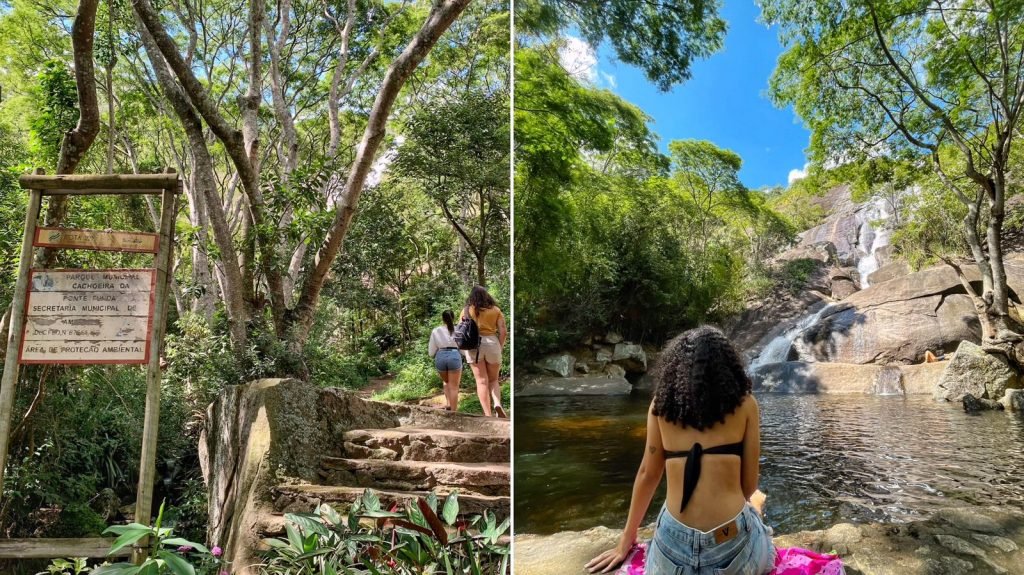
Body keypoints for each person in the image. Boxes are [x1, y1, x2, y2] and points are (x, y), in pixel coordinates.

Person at [586, 326, 775, 575]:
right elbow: (748, 487)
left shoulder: (660, 406)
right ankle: (758, 513)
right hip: (728, 543)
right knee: (756, 512)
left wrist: (625, 543)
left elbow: (647, 475)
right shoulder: (746, 404)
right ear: (728, 367)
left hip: (674, 547)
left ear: (675, 368)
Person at [461, 285, 507, 418]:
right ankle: (497, 403)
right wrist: (500, 347)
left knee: (481, 381)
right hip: (492, 343)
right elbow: (503, 332)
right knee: (493, 380)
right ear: (486, 295)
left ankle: (488, 415)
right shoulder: (495, 310)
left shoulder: (466, 310)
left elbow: (461, 332)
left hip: (474, 346)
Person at [428, 310, 462, 411]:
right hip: (454, 355)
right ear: (453, 318)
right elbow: (463, 348)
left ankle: (448, 404)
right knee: (454, 387)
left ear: (443, 319)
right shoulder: (459, 330)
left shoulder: (436, 330)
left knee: (446, 381)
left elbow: (431, 352)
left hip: (441, 357)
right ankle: (454, 412)